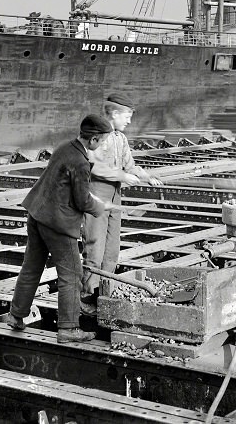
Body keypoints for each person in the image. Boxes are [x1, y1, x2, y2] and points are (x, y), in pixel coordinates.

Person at [2, 114, 114, 343]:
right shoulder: (81, 162)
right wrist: (100, 207)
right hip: (57, 224)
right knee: (72, 275)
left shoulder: (64, 147)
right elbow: (82, 201)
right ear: (93, 140)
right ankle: (69, 328)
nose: (101, 145)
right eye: (101, 141)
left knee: (31, 267)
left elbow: (66, 186)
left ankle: (16, 316)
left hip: (37, 214)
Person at [80, 92, 164, 314]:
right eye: (127, 115)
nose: (129, 120)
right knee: (94, 248)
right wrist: (122, 176)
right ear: (114, 113)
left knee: (111, 250)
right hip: (96, 195)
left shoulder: (120, 138)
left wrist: (146, 176)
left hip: (114, 195)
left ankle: (104, 294)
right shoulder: (97, 136)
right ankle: (87, 297)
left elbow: (130, 165)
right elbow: (93, 167)